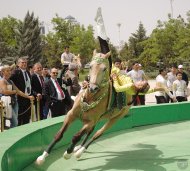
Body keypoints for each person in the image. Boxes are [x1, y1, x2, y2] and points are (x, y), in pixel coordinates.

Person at [10, 57, 33, 125]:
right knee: (20, 118)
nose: (24, 64)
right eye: (22, 62)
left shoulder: (28, 72)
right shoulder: (16, 72)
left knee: (27, 118)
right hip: (20, 98)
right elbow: (9, 81)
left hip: (28, 98)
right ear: (18, 64)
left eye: (25, 62)